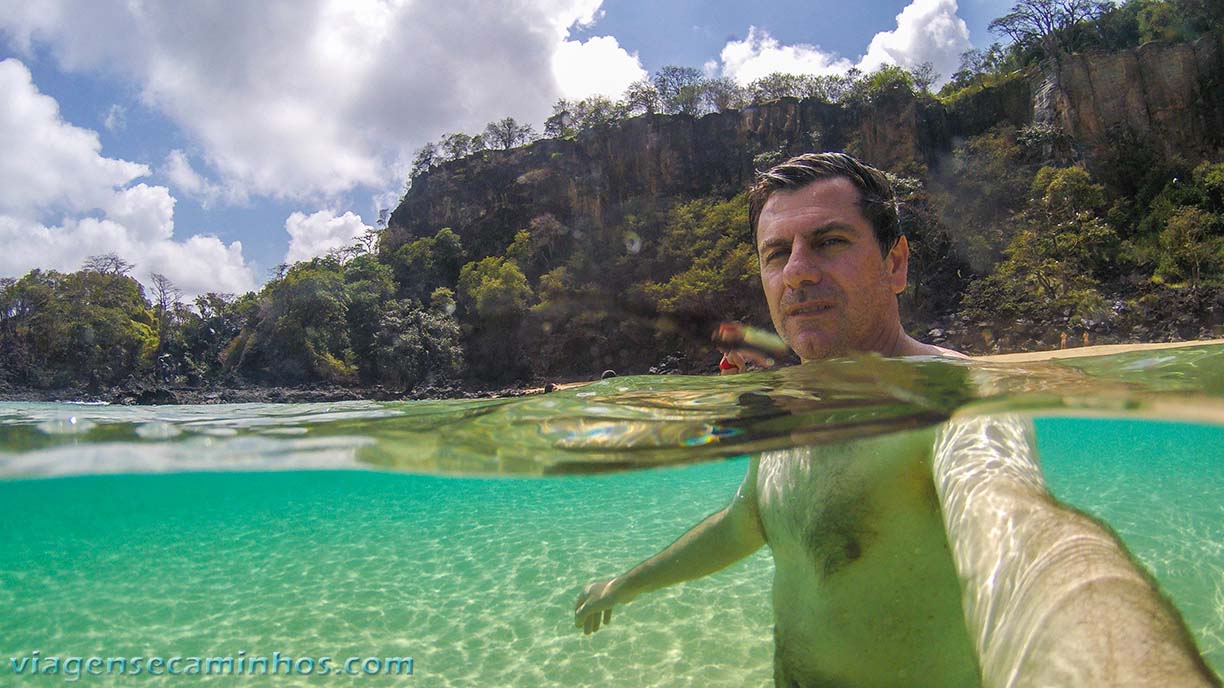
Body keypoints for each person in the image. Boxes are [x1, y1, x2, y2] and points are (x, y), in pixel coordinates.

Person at [574, 153, 1219, 687]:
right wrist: (622, 585)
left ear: (896, 261)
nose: (798, 270)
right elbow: (750, 523)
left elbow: (1021, 533)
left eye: (828, 241)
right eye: (777, 253)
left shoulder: (954, 399)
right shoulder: (793, 403)